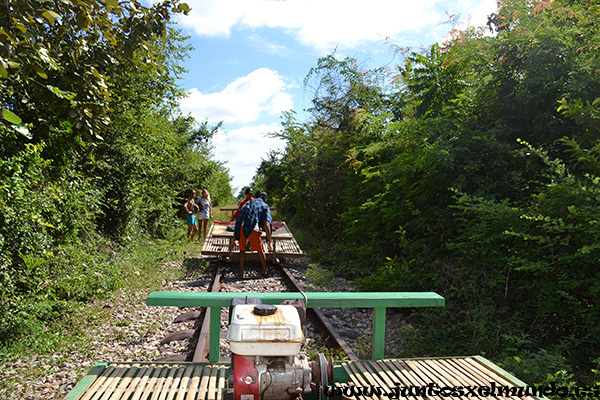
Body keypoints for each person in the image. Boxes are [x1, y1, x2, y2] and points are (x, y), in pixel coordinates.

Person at [234, 191, 273, 278]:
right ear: (265, 199)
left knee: (242, 250)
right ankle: (265, 270)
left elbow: (239, 219)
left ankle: (241, 273)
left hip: (241, 227)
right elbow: (267, 224)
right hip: (252, 228)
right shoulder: (264, 205)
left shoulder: (248, 203)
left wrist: (234, 238)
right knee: (260, 250)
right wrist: (269, 242)